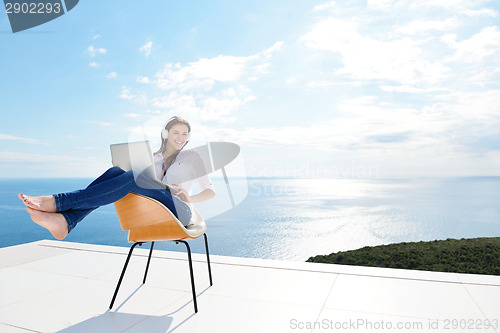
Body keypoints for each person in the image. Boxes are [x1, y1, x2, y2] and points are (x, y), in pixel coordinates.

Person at [18, 116, 216, 240]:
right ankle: (66, 220)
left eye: (185, 133)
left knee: (134, 176)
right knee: (116, 173)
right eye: (176, 132)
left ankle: (60, 204)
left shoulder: (192, 157)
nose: (180, 137)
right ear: (166, 134)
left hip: (180, 210)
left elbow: (210, 191)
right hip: (155, 206)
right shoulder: (152, 157)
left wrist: (190, 198)